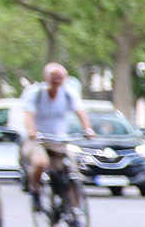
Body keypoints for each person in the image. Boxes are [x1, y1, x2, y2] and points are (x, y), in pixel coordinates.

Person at [14, 63, 95, 203]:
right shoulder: (35, 93)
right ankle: (35, 189)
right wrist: (32, 132)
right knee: (40, 162)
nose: (57, 80)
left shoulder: (69, 93)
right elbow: (28, 115)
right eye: (53, 77)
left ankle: (74, 211)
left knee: (71, 170)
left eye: (60, 77)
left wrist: (88, 129)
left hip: (58, 140)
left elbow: (80, 112)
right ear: (46, 77)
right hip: (37, 139)